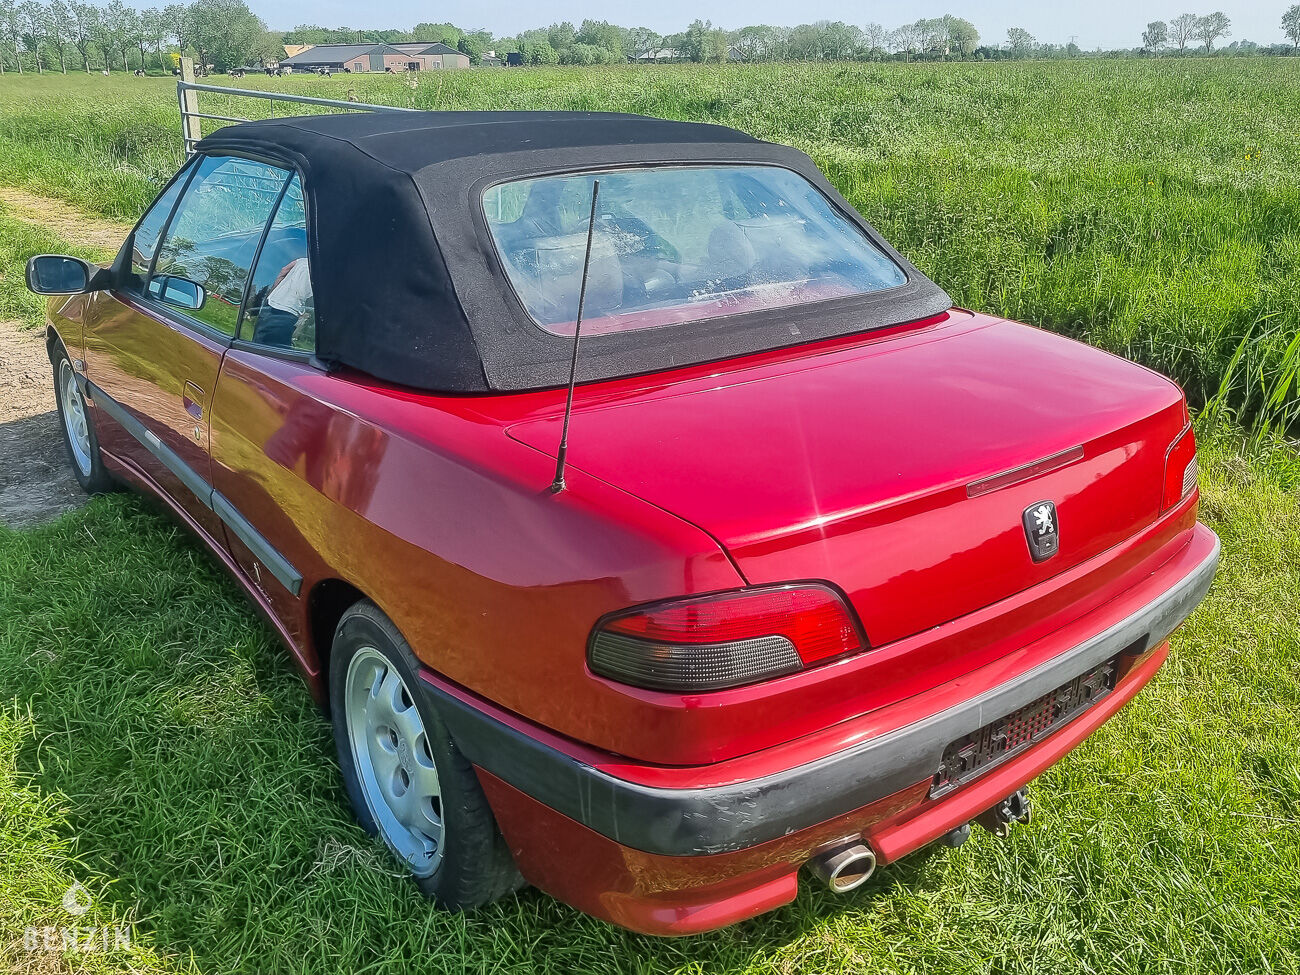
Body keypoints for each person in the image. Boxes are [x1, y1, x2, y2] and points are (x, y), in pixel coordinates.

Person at [253, 258, 312, 347]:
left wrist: (270, 295)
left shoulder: (302, 261)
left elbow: (283, 271)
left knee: (260, 347)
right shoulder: (326, 271)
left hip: (273, 305)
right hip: (293, 312)